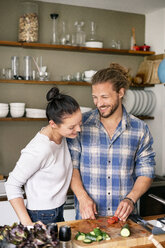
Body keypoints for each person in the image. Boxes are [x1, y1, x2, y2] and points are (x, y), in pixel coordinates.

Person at [67, 63, 155, 221]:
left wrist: (131, 199)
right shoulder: (80, 125)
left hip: (125, 220)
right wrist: (82, 198)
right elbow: (71, 167)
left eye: (104, 97)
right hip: (88, 218)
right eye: (95, 97)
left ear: (120, 92)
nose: (99, 103)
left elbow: (146, 172)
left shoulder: (140, 129)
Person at [5, 86, 82, 226]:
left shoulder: (62, 136)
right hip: (41, 216)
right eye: (72, 127)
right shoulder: (40, 149)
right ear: (52, 124)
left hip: (57, 211)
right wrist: (28, 224)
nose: (78, 129)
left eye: (79, 123)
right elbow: (11, 184)